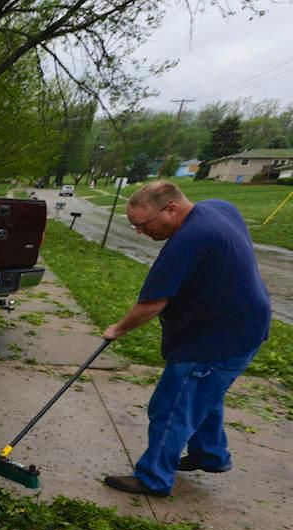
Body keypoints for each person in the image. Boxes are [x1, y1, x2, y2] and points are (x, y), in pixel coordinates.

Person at [102, 180, 271, 497]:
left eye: (143, 224)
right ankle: (210, 455)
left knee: (172, 407)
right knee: (203, 394)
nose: (140, 232)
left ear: (171, 209)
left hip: (218, 337)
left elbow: (152, 304)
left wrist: (118, 329)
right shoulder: (218, 208)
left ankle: (153, 478)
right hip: (244, 325)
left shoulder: (189, 240)